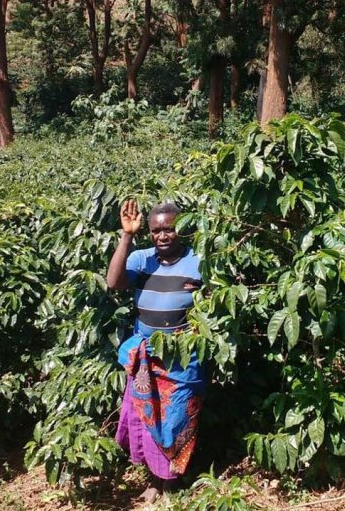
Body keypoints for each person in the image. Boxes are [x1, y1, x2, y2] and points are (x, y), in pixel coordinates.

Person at [106, 199, 205, 504]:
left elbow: (216, 302)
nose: (163, 236)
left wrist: (202, 294)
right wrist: (127, 235)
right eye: (156, 230)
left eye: (170, 229)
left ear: (182, 229)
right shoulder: (141, 258)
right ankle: (153, 480)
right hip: (146, 356)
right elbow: (113, 282)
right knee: (146, 421)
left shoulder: (198, 261)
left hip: (182, 359)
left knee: (175, 421)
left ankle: (172, 483)